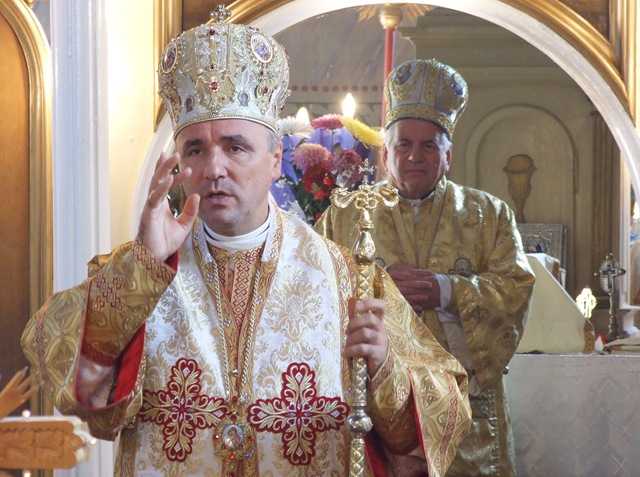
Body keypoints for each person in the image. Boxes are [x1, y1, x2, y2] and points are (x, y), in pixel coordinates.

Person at [20, 15, 471, 477]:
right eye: (195, 149)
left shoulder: (346, 277)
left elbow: (446, 415)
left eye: (235, 147)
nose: (214, 168)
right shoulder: (142, 270)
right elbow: (59, 363)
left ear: (275, 160)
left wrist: (384, 366)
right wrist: (142, 266)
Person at [315, 58, 535, 477]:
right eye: (403, 145)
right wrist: (378, 289)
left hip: (468, 413)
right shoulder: (344, 215)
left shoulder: (489, 215)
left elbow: (515, 290)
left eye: (429, 146)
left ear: (448, 155)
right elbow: (313, 295)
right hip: (375, 408)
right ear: (385, 154)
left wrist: (445, 290)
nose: (415, 156)